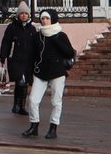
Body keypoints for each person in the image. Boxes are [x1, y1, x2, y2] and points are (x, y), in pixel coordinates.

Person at [22, 8, 77, 140]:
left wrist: (55, 40)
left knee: (56, 101)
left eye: (47, 18)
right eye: (42, 19)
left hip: (58, 73)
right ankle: (34, 126)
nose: (44, 21)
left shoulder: (60, 35)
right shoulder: (37, 36)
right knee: (33, 100)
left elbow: (69, 53)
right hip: (41, 73)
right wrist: (28, 74)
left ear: (52, 19)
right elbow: (31, 56)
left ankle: (53, 128)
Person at [0, 2, 36, 115]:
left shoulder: (32, 29)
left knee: (25, 83)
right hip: (15, 59)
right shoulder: (12, 27)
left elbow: (36, 45)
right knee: (20, 81)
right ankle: (16, 104)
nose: (24, 15)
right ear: (18, 15)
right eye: (22, 13)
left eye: (26, 13)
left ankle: (22, 106)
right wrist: (3, 56)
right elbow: (6, 42)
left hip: (28, 60)